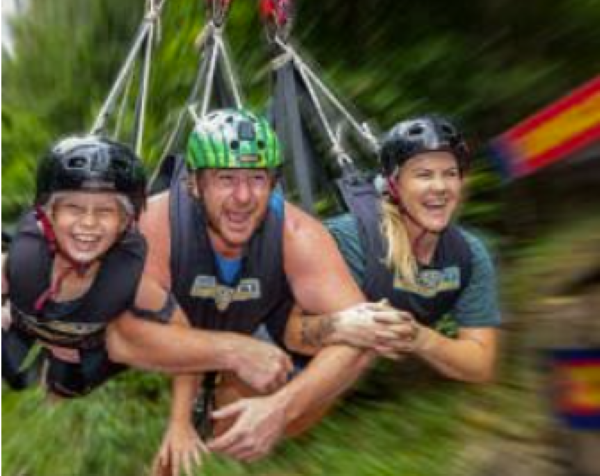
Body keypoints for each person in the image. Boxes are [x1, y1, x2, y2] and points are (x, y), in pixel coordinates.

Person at [143, 109, 407, 475]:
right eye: (226, 178)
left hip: (264, 326)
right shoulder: (157, 225)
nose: (243, 196)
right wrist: (178, 420)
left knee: (361, 330)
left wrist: (281, 407)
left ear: (272, 184)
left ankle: (257, 397)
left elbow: (367, 340)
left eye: (256, 178)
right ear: (195, 184)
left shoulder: (298, 235)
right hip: (178, 325)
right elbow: (160, 330)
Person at [2, 135, 293, 398]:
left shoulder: (132, 277)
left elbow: (183, 337)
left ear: (127, 223)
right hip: (25, 317)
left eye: (105, 211)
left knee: (66, 387)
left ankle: (56, 368)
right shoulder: (21, 260)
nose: (88, 224)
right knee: (12, 371)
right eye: (73, 208)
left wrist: (180, 423)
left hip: (82, 344)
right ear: (47, 215)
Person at [285, 114, 501, 384]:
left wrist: (420, 338)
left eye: (450, 174)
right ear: (394, 186)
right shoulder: (347, 240)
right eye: (423, 175)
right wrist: (340, 328)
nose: (440, 187)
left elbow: (480, 365)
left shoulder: (468, 256)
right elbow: (287, 330)